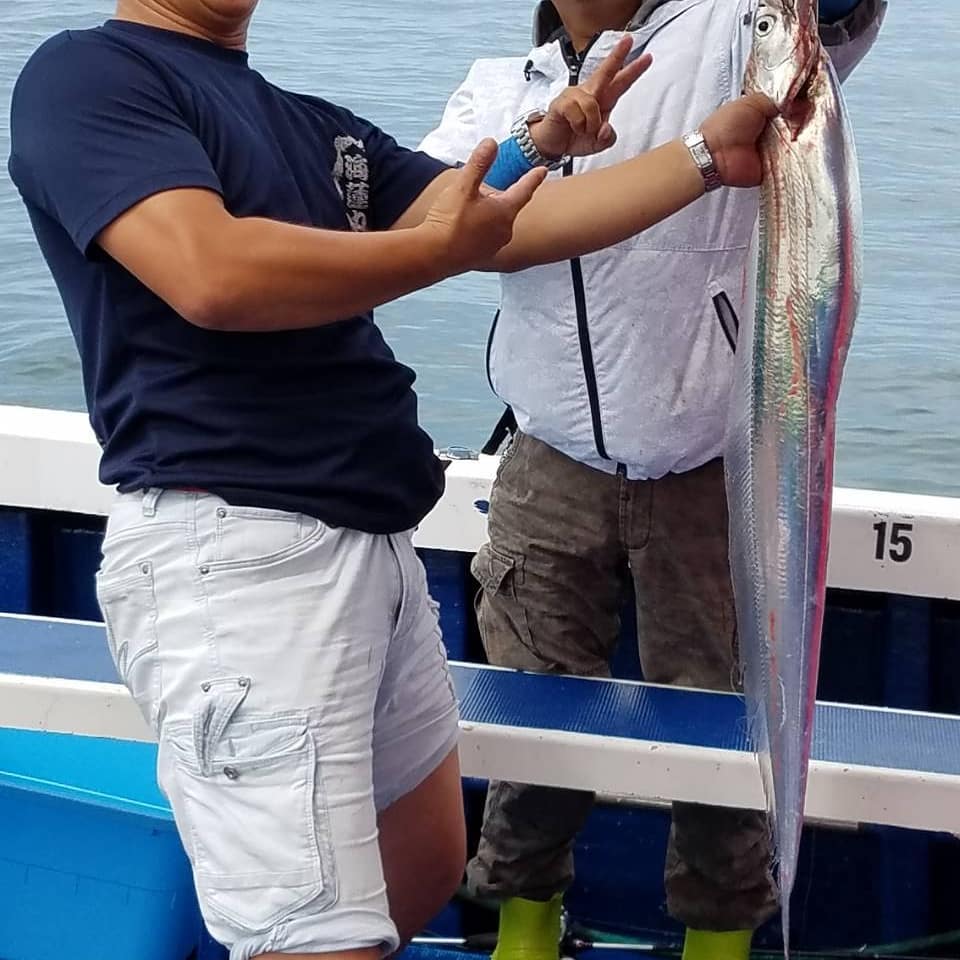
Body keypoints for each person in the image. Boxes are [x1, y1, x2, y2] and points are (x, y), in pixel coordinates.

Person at [7, 1, 775, 958]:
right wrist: (433, 251)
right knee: (315, 935)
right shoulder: (88, 76)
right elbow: (209, 271)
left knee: (415, 869)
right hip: (238, 558)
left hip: (370, 543)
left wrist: (704, 154)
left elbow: (491, 215)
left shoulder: (309, 122)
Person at [419, 2, 886, 960]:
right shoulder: (502, 87)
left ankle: (719, 945)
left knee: (724, 733)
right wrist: (538, 143)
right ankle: (523, 931)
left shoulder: (734, 29)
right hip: (547, 464)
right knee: (534, 721)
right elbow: (440, 218)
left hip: (714, 468)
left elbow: (839, 18)